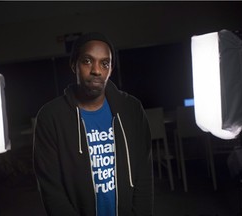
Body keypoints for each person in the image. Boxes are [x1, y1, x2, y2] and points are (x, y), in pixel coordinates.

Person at [33, 32, 154, 216]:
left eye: (104, 63)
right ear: (74, 65)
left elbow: (144, 176)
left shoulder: (132, 109)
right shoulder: (51, 117)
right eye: (88, 61)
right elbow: (52, 191)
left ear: (110, 69)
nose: (96, 70)